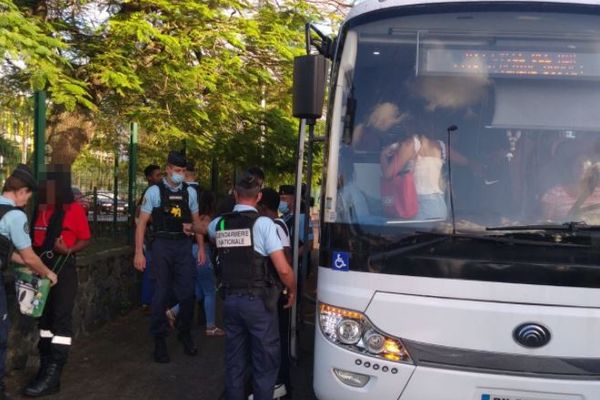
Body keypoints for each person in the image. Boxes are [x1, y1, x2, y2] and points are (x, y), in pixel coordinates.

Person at [209, 171, 296, 400]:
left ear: (235, 195)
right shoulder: (264, 224)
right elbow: (283, 268)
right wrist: (293, 289)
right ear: (258, 198)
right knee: (264, 362)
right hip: (258, 303)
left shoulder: (221, 223)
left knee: (235, 360)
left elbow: (210, 234)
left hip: (230, 301)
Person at [134, 151, 207, 363]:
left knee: (187, 294)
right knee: (160, 295)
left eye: (183, 172)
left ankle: (185, 333)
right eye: (177, 171)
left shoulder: (190, 193)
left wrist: (200, 248)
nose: (180, 175)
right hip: (161, 246)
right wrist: (139, 252)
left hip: (184, 246)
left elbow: (197, 223)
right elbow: (141, 225)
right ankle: (159, 340)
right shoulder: (154, 192)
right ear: (168, 169)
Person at [24, 167, 91, 397]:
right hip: (40, 270)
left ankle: (55, 371)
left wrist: (69, 249)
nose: (46, 190)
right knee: (44, 320)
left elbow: (85, 238)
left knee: (60, 320)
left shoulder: (73, 210)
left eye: (51, 186)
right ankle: (45, 366)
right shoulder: (41, 208)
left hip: (63, 270)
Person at [0, 165, 58, 399]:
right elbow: (29, 255)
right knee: (1, 336)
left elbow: (5, 250)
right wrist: (47, 273)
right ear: (21, 191)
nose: (27, 201)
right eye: (28, 195)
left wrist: (19, 263)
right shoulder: (14, 215)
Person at [166, 162, 224, 336]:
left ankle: (174, 311)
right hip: (199, 249)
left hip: (179, 248)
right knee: (209, 289)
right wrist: (201, 247)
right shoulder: (201, 196)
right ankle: (210, 326)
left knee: (196, 289)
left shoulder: (172, 193)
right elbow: (200, 225)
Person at [379, 109, 448, 220]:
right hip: (440, 206)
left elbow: (388, 174)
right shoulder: (439, 145)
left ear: (409, 123)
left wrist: (383, 155)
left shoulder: (410, 143)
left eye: (404, 122)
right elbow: (466, 161)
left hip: (419, 206)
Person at [258, 188, 292, 399]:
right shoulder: (277, 225)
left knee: (276, 339)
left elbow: (285, 259)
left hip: (277, 292)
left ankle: (280, 384)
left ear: (262, 207)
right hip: (277, 290)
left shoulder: (274, 225)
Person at [139, 164, 162, 309]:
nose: (160, 178)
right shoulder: (150, 193)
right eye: (157, 175)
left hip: (154, 238)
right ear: (149, 178)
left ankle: (149, 301)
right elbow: (143, 217)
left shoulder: (157, 191)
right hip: (152, 239)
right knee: (151, 272)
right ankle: (147, 302)